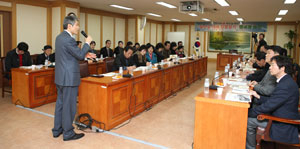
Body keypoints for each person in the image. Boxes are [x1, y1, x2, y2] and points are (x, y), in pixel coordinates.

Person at [52, 14, 96, 141]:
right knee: (69, 106)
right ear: (69, 26)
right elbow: (79, 55)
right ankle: (68, 133)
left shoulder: (60, 37)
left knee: (60, 104)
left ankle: (57, 129)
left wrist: (85, 54)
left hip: (61, 77)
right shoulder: (69, 39)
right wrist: (87, 43)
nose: (78, 28)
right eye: (77, 25)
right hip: (69, 78)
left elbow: (72, 54)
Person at [246, 55, 299, 149]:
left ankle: (250, 147)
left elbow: (269, 106)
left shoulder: (285, 85)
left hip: (282, 123)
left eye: (273, 65)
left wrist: (248, 113)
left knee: (249, 121)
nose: (270, 67)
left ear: (282, 68)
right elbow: (275, 100)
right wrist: (258, 96)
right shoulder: (285, 81)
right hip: (279, 115)